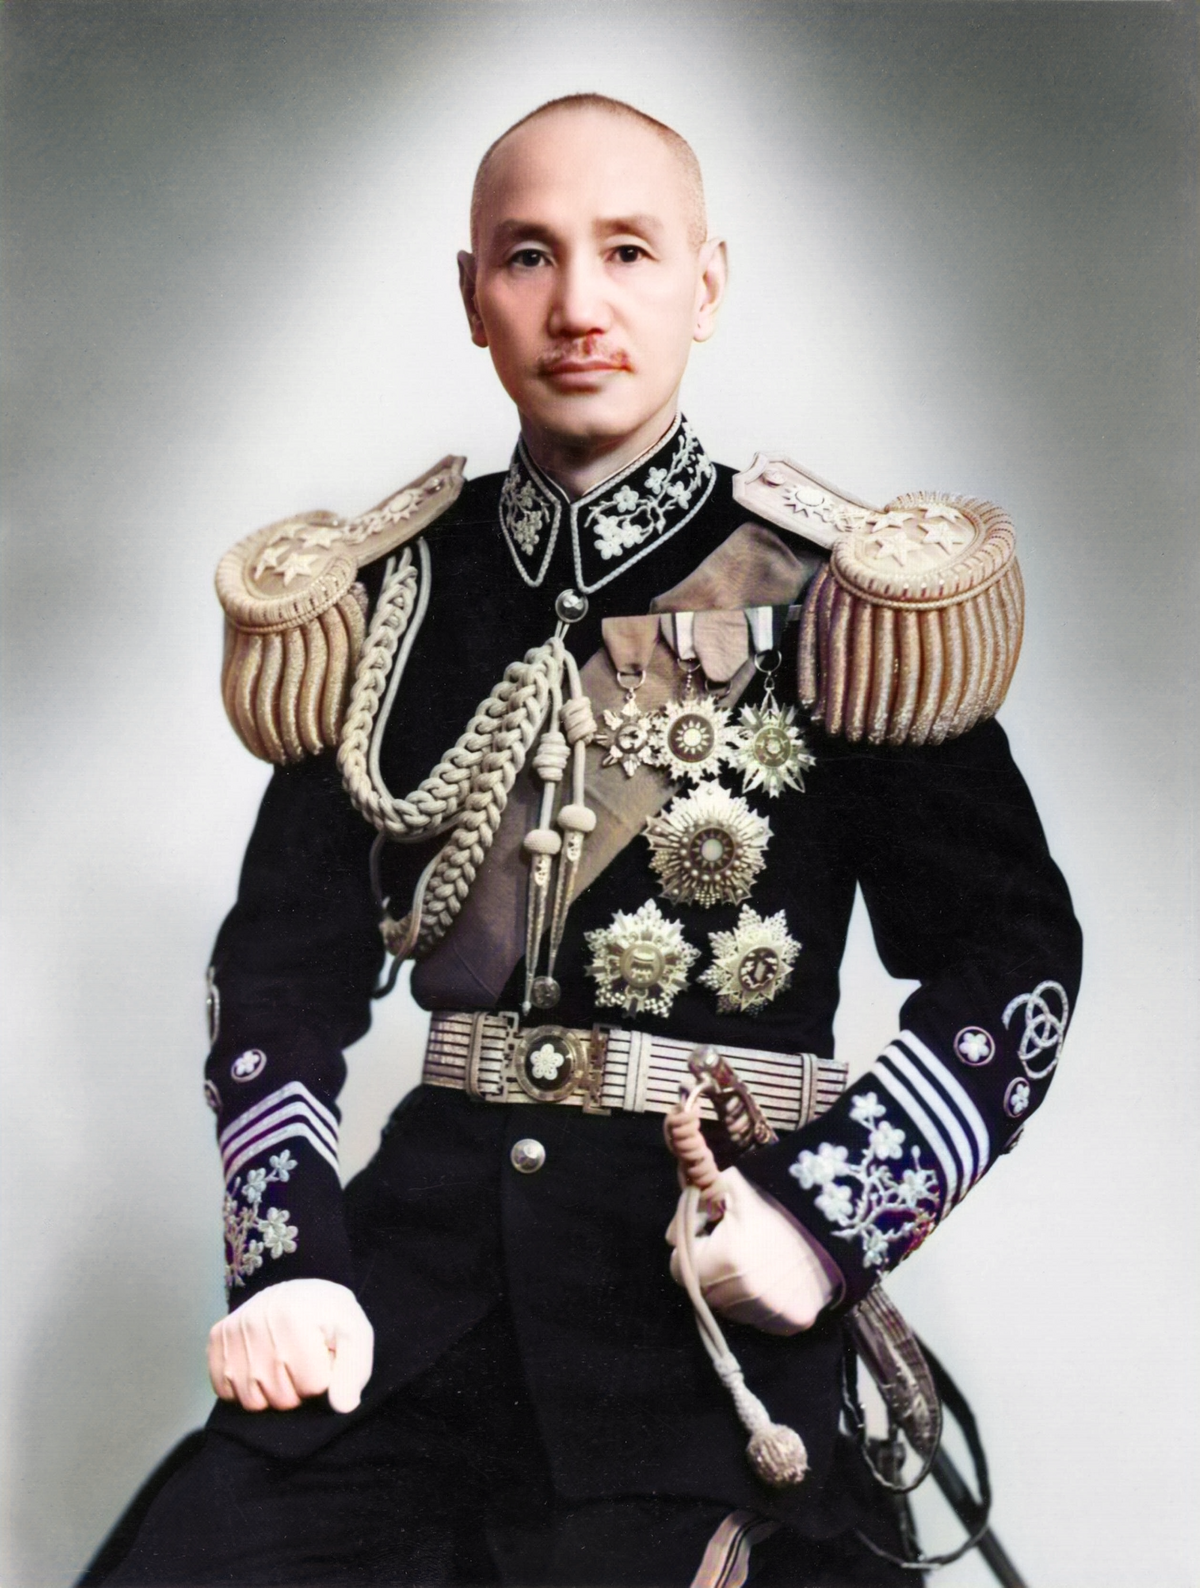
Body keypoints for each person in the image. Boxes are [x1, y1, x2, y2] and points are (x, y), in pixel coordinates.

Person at [84, 94, 1082, 1587]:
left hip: (702, 1301)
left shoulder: (839, 600)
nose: (579, 306)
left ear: (707, 284)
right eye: (530, 256)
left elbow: (1013, 960)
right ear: (472, 294)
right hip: (417, 1298)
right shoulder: (393, 599)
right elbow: (282, 974)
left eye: (629, 251)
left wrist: (821, 1224)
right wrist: (288, 1259)